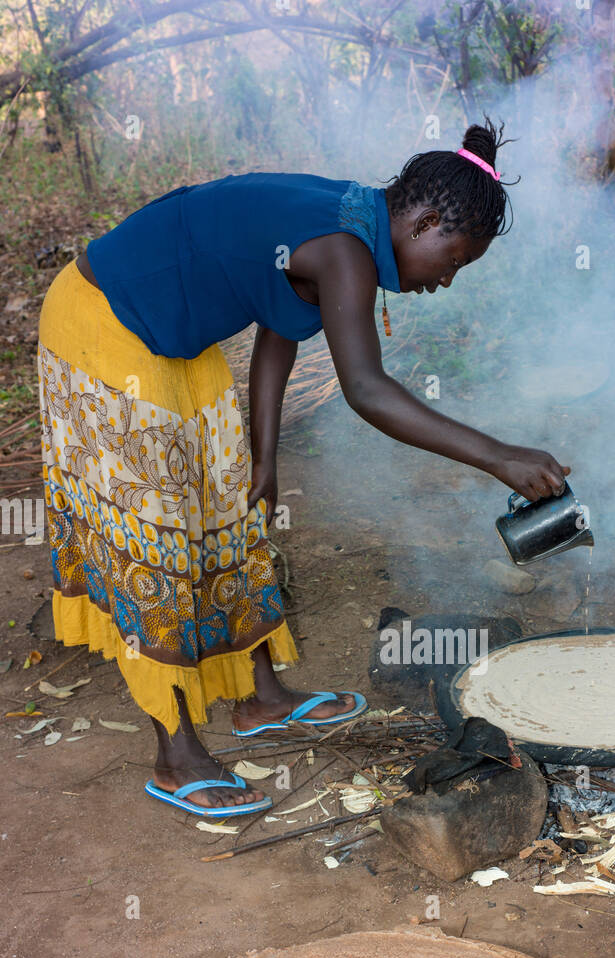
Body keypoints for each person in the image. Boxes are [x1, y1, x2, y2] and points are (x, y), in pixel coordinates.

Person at [37, 115, 569, 817]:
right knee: (155, 544)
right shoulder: (345, 246)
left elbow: (276, 331)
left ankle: (260, 699)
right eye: (452, 261)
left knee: (230, 515)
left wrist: (263, 457)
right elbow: (368, 391)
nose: (445, 281)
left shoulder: (348, 222)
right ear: (427, 221)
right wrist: (499, 456)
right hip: (105, 323)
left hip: (172, 337)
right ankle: (174, 753)